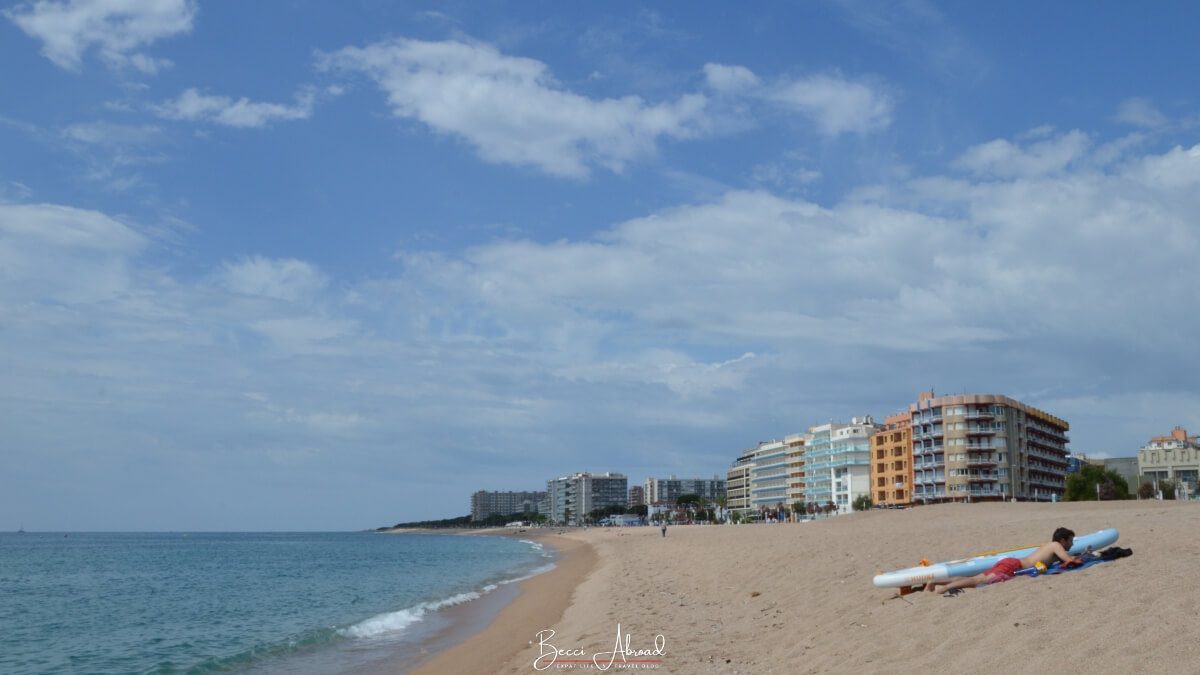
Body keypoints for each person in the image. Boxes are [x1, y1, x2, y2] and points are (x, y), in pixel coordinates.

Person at [924, 527, 1081, 594]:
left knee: (976, 578)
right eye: (1070, 541)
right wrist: (1077, 558)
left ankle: (936, 582)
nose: (1072, 544)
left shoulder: (1049, 546)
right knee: (978, 581)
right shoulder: (1055, 545)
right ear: (1062, 540)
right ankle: (946, 588)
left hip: (1011, 564)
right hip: (1013, 567)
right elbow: (1067, 560)